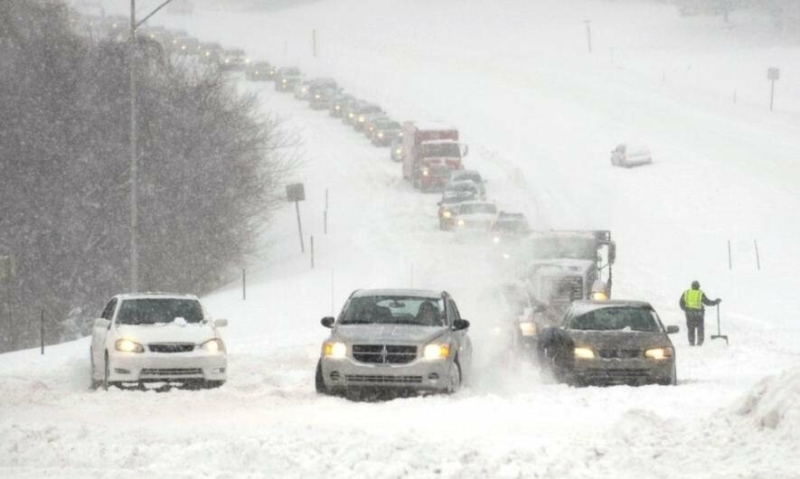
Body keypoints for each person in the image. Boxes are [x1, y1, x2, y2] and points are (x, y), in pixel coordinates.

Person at [678, 280, 720, 346]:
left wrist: (686, 309)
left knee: (691, 328)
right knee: (700, 328)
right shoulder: (700, 293)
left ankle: (691, 342)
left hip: (689, 314)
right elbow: (707, 302)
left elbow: (681, 303)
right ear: (698, 286)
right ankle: (700, 342)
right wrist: (715, 302)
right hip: (699, 314)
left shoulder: (686, 293)